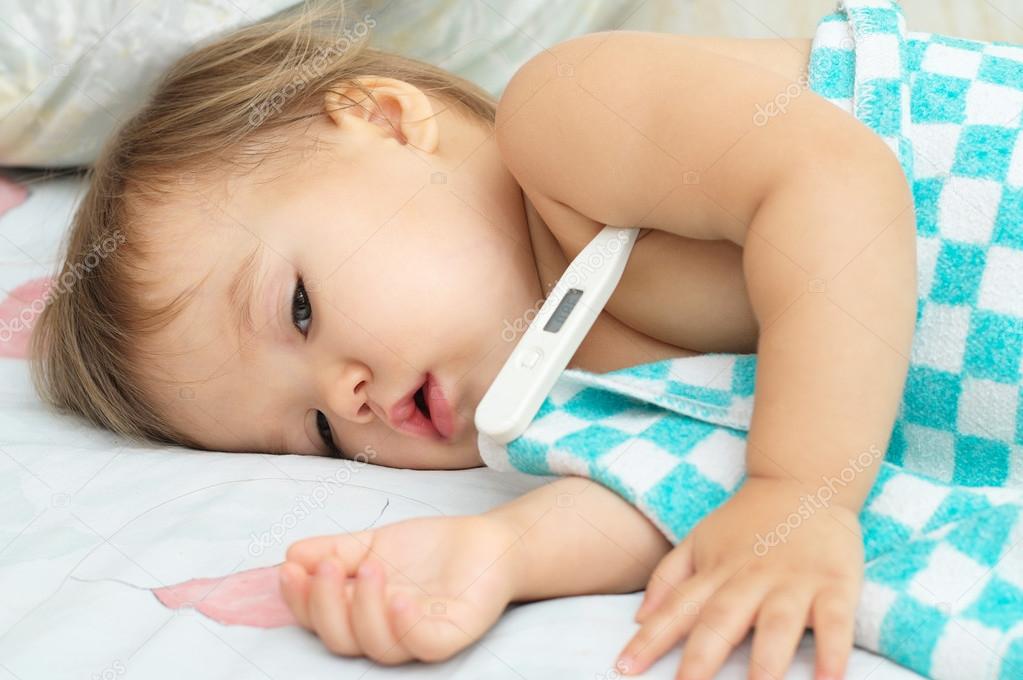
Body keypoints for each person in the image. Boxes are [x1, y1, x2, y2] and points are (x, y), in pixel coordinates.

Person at [31, 3, 937, 679]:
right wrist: (497, 555)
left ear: (386, 120)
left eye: (300, 310)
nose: (347, 404)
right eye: (316, 432)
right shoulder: (560, 399)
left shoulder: (567, 123)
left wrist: (800, 489)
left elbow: (832, 179)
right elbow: (678, 486)